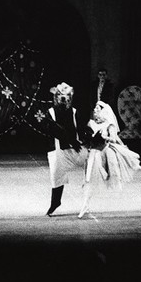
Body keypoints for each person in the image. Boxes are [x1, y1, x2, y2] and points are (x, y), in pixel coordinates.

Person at [79, 101, 141, 218]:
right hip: (93, 153)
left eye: (98, 109)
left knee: (123, 160)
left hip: (104, 151)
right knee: (88, 179)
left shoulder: (109, 124)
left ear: (104, 111)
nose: (95, 111)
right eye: (95, 109)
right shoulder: (91, 123)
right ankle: (85, 204)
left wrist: (104, 137)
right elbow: (86, 137)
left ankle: (138, 167)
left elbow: (114, 138)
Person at [43, 82, 88, 217]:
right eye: (61, 96)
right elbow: (55, 130)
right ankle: (55, 202)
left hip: (75, 149)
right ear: (56, 97)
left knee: (91, 161)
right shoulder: (50, 113)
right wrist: (70, 140)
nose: (64, 99)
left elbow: (82, 129)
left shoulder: (75, 112)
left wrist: (86, 139)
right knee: (56, 175)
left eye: (67, 95)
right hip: (58, 149)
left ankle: (89, 197)